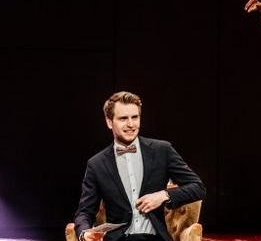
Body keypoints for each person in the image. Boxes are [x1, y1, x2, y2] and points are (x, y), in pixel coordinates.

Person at [74, 91, 206, 241]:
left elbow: (198, 187)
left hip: (155, 238)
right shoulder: (96, 164)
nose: (131, 124)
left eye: (135, 117)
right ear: (109, 122)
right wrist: (84, 233)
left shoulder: (162, 150)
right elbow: (84, 212)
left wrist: (163, 195)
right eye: (123, 118)